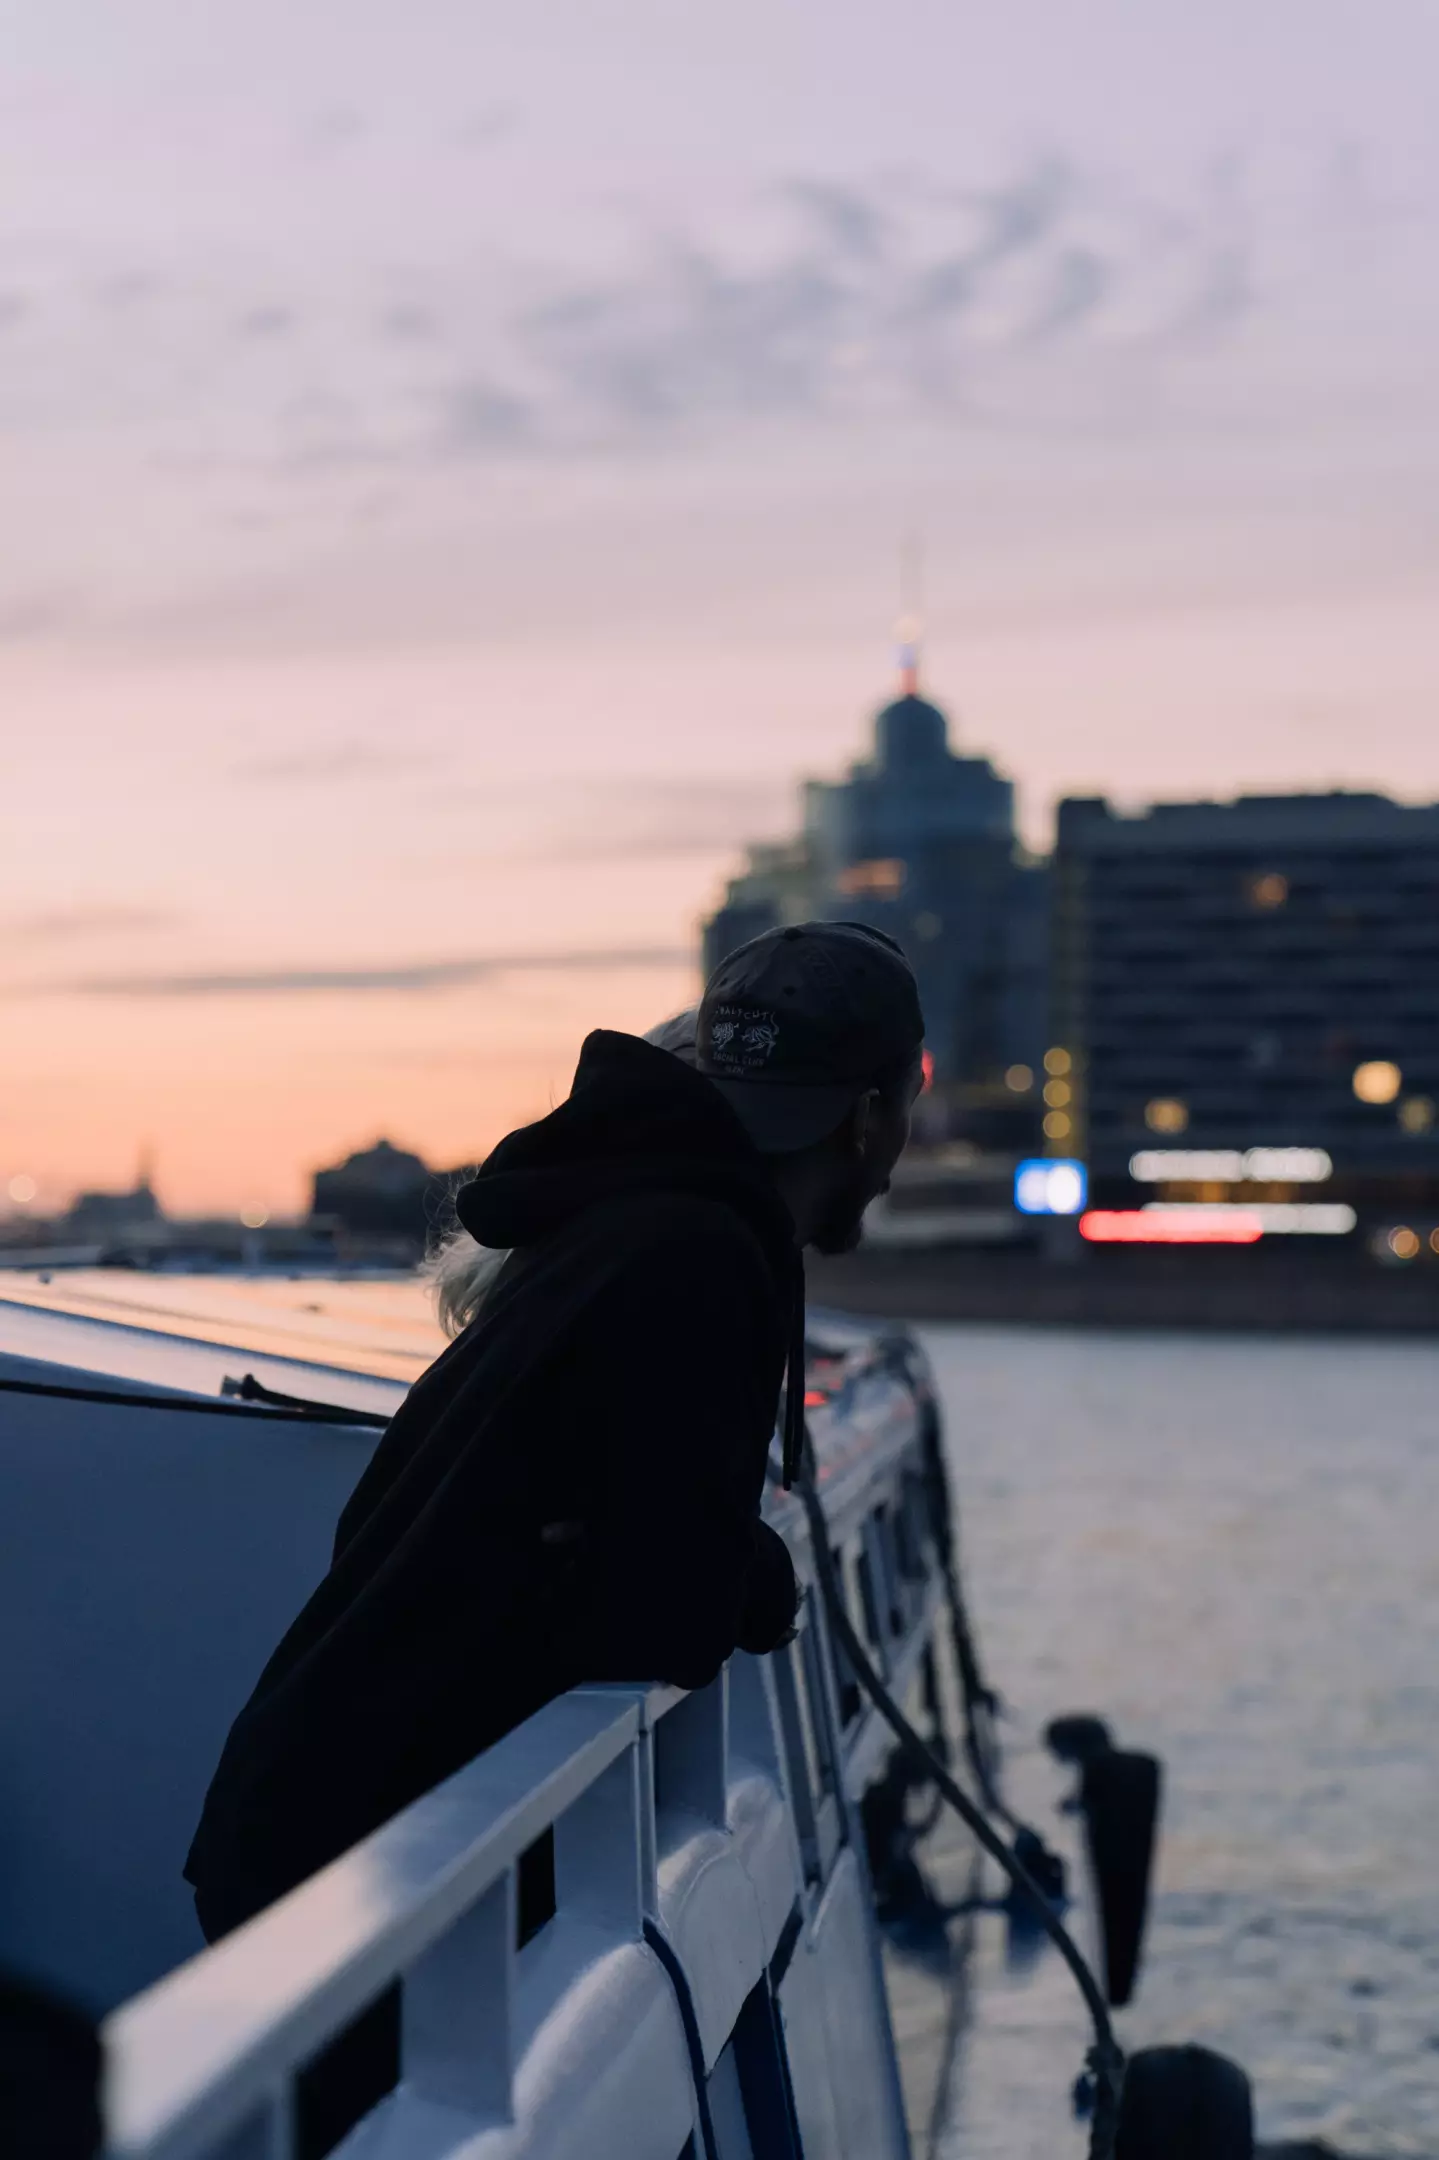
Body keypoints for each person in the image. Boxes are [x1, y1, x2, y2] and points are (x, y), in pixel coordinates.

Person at [184, 922, 925, 1943]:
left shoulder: (637, 1225)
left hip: (330, 1814)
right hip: (376, 1861)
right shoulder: (698, 1255)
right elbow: (663, 1604)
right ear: (869, 1118)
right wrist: (757, 1578)